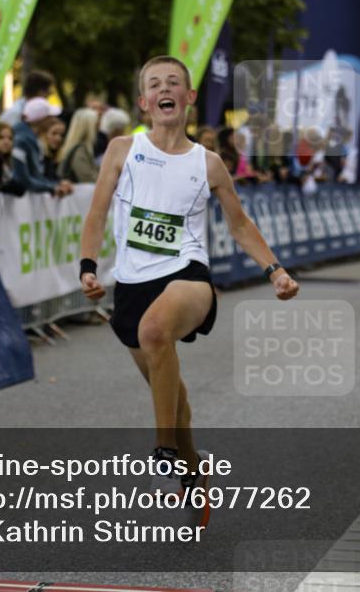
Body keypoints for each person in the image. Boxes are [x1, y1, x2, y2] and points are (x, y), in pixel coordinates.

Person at [78, 56, 299, 527]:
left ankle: (162, 458)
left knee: (157, 333)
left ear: (188, 98)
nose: (165, 88)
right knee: (173, 398)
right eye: (154, 83)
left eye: (174, 82)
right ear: (143, 102)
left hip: (188, 276)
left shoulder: (209, 162)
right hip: (132, 284)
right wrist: (88, 268)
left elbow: (239, 225)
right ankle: (194, 470)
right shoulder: (121, 149)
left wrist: (274, 270)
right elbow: (96, 214)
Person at [10, 98, 73, 197]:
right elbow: (23, 178)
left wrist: (56, 184)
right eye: (49, 117)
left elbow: (35, 176)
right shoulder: (23, 140)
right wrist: (53, 187)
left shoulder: (27, 138)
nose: (52, 120)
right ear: (42, 119)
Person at [60, 107, 130, 183]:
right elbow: (87, 177)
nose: (100, 129)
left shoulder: (84, 148)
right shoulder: (79, 150)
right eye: (97, 125)